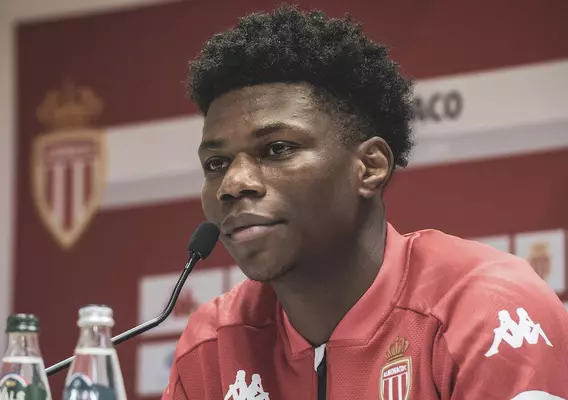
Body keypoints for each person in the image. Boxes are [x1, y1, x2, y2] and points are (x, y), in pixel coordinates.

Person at [163, 4, 568, 399]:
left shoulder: (485, 308)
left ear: (370, 167)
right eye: (216, 163)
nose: (233, 184)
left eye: (277, 149)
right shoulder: (212, 347)